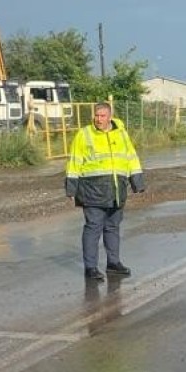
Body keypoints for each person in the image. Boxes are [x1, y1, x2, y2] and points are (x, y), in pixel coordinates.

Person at [65, 102, 145, 281]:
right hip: (92, 190)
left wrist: (137, 182)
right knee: (93, 228)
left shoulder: (121, 134)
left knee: (112, 227)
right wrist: (71, 188)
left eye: (102, 116)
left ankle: (113, 263)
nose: (98, 119)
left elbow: (131, 157)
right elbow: (74, 162)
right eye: (96, 115)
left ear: (110, 117)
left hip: (117, 190)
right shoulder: (84, 134)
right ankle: (90, 268)